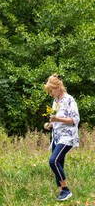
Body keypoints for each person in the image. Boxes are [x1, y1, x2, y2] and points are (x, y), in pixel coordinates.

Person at [44, 73, 80, 201]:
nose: (51, 93)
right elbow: (56, 121)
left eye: (51, 90)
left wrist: (57, 118)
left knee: (53, 161)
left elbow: (76, 119)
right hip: (57, 136)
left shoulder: (69, 99)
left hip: (68, 136)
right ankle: (61, 193)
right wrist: (50, 124)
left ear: (58, 86)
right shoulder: (55, 101)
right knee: (59, 164)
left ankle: (65, 189)